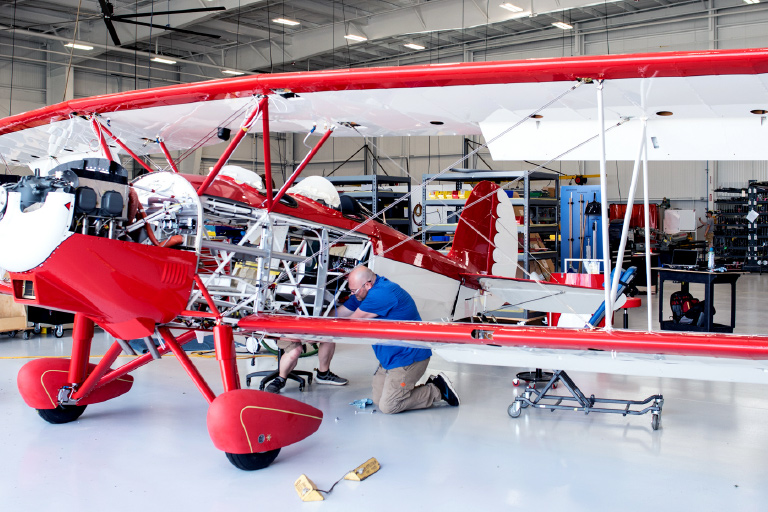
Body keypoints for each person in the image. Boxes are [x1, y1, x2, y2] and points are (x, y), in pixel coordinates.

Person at [335, 265, 459, 414]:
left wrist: (313, 331)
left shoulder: (382, 293)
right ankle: (407, 389)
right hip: (390, 358)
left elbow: (352, 323)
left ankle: (437, 389)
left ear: (367, 285)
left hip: (409, 359)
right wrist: (314, 314)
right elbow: (340, 312)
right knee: (377, 399)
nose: (352, 294)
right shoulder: (364, 293)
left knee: (389, 406)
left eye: (354, 290)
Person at [266, 339, 348, 393]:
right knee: (295, 351)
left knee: (329, 337)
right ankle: (281, 378)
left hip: (309, 322)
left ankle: (323, 374)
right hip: (287, 325)